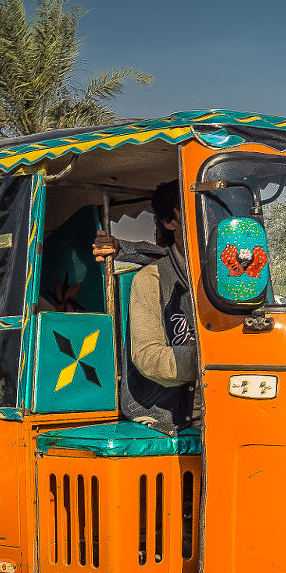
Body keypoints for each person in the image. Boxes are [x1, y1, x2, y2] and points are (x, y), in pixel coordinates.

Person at [92, 181, 200, 432]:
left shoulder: (228, 278)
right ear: (169, 222)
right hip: (170, 415)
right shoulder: (151, 279)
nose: (204, 215)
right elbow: (148, 358)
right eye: (191, 206)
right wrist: (212, 357)